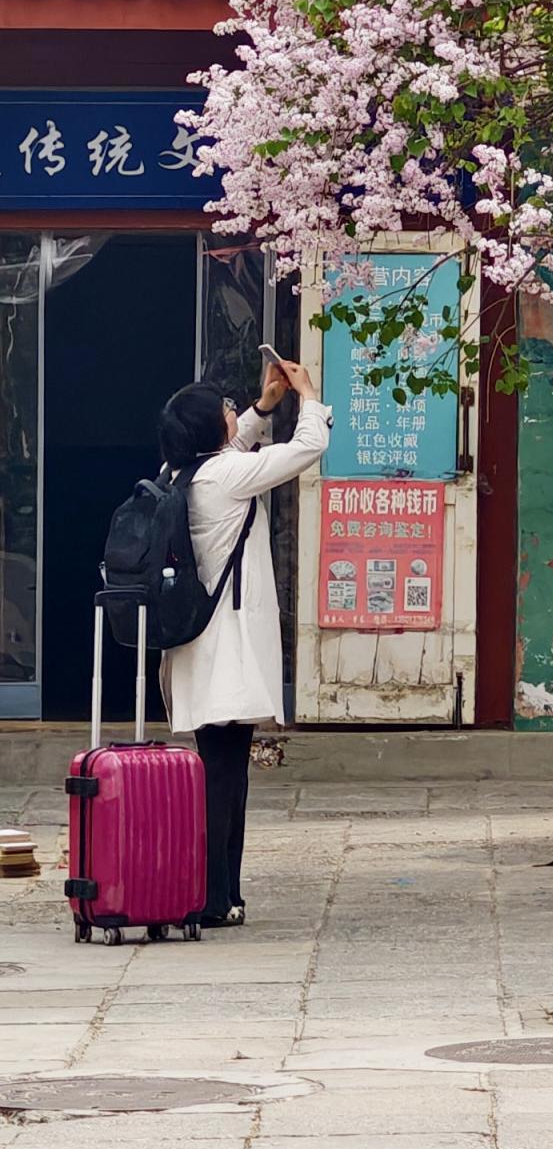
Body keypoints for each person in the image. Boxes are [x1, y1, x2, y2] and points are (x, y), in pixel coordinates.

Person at [157, 357, 330, 928]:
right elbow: (304, 451)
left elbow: (233, 451)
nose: (233, 414)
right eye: (225, 411)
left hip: (208, 646)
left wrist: (262, 408)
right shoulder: (225, 478)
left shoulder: (184, 471)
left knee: (228, 772)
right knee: (222, 778)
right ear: (210, 428)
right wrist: (307, 395)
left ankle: (225, 893)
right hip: (225, 649)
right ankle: (211, 895)